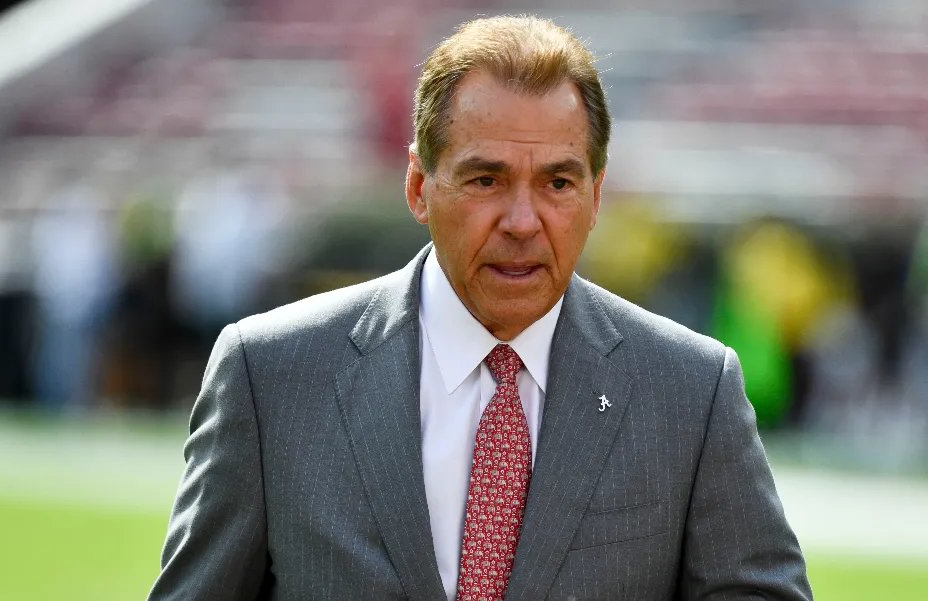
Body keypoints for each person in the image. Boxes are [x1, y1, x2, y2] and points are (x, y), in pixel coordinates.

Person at [148, 15, 812, 601]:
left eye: (557, 181)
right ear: (418, 185)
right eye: (486, 179)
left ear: (596, 194)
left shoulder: (691, 392)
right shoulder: (271, 376)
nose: (523, 220)